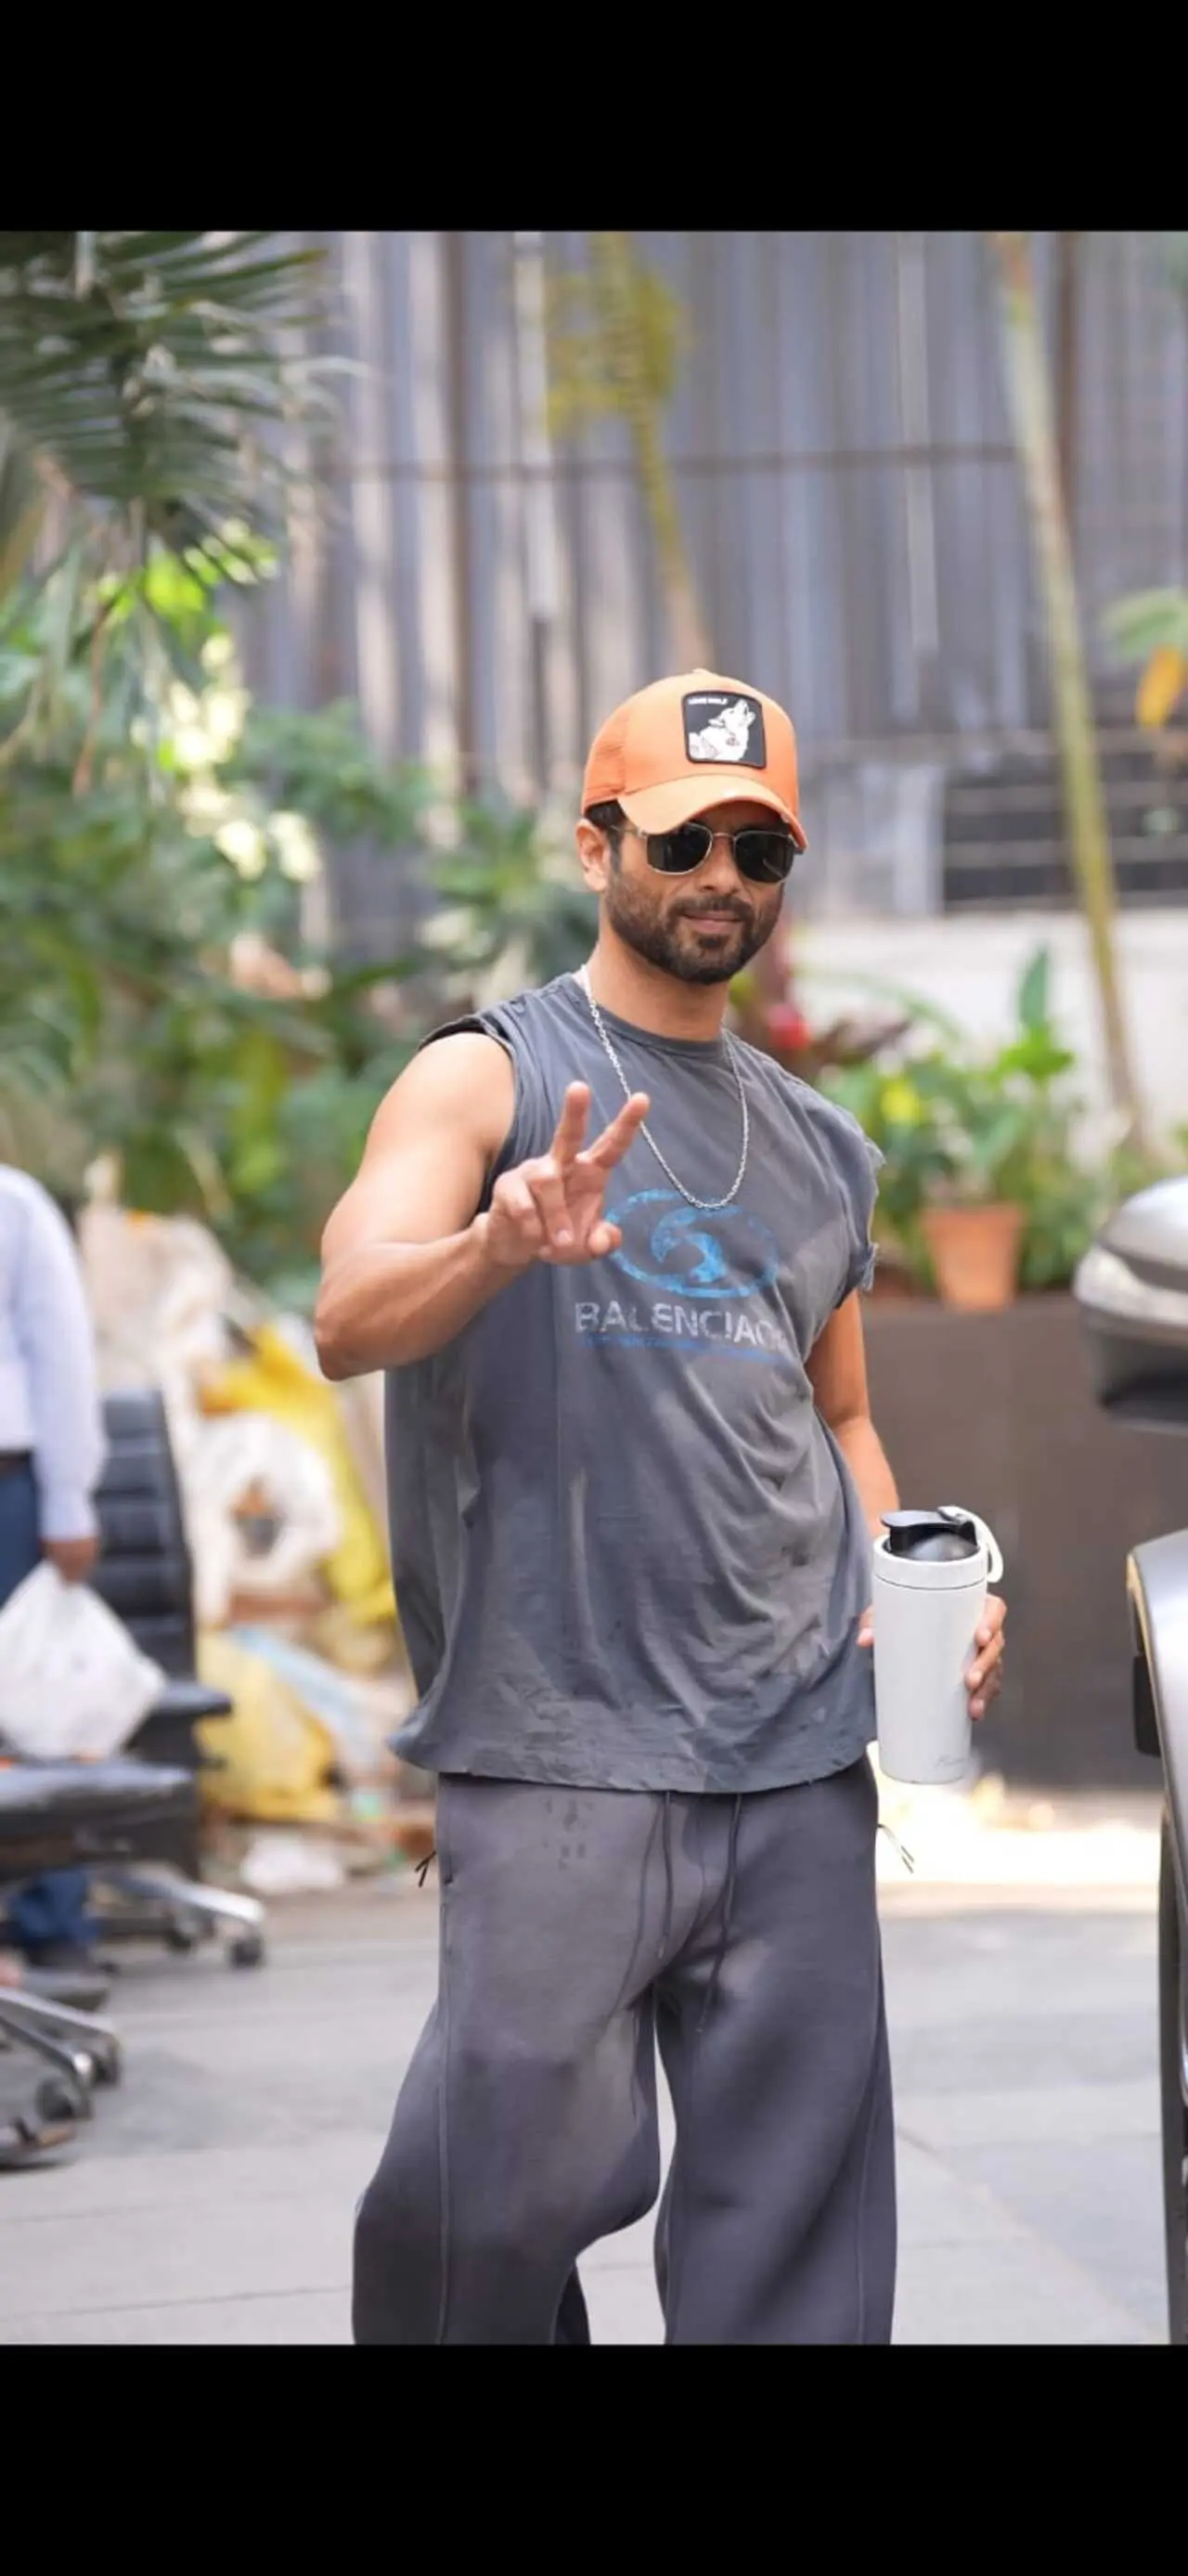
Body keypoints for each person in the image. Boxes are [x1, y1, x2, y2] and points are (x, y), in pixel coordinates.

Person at [317, 667, 1008, 2346]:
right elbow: (345, 1314)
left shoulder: (825, 1147)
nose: (722, 877)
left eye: (758, 845)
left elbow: (840, 1418)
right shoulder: (486, 1079)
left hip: (795, 1761)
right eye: (685, 837)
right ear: (596, 840)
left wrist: (911, 1586)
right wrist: (495, 1243)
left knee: (801, 2244)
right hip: (560, 1749)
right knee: (469, 2213)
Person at [0, 1167, 107, 1976]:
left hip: (11, 1485)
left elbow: (59, 1349)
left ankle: (51, 1923)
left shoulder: (14, 1203)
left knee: (26, 1708)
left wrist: (68, 1498)